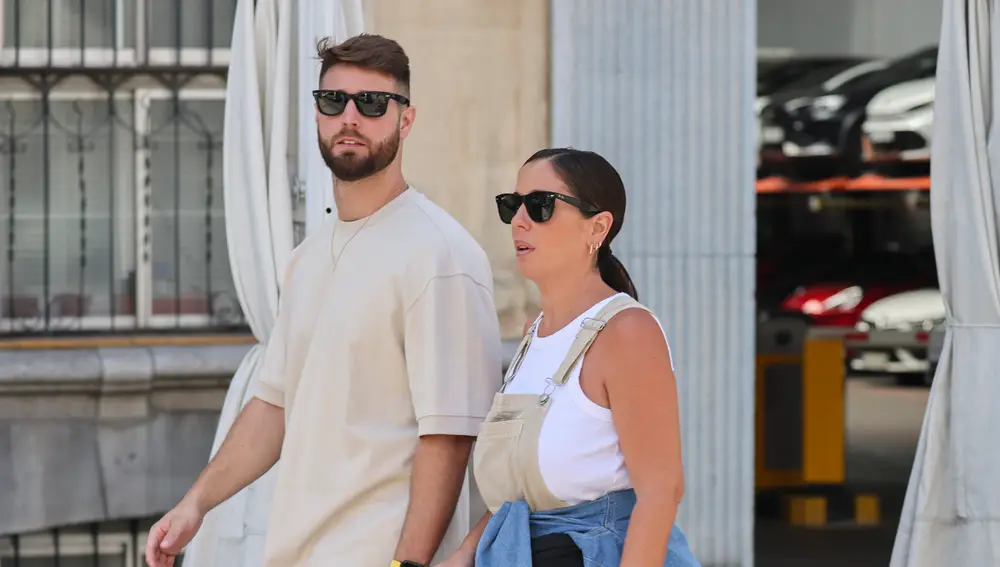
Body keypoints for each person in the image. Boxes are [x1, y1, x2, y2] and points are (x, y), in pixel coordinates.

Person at [144, 33, 503, 567]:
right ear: (317, 114)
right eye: (334, 101)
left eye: (373, 102)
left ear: (406, 120)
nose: (350, 117)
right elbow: (273, 406)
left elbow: (448, 436)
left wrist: (406, 565)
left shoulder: (441, 256)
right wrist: (195, 504)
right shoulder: (307, 260)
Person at [436, 148, 701, 567]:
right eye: (512, 205)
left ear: (597, 227)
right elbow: (520, 500)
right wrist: (465, 554)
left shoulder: (627, 332)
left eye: (540, 206)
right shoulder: (532, 335)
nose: (520, 220)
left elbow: (661, 491)